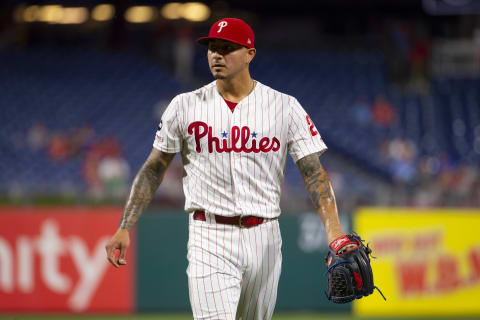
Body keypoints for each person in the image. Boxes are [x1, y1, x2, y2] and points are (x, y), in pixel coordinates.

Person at [105, 18, 346, 320]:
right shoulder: (184, 106)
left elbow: (313, 172)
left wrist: (335, 232)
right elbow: (154, 169)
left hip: (265, 237)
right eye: (212, 48)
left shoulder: (284, 107)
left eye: (227, 48)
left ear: (250, 54)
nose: (216, 54)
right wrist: (125, 226)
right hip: (209, 234)